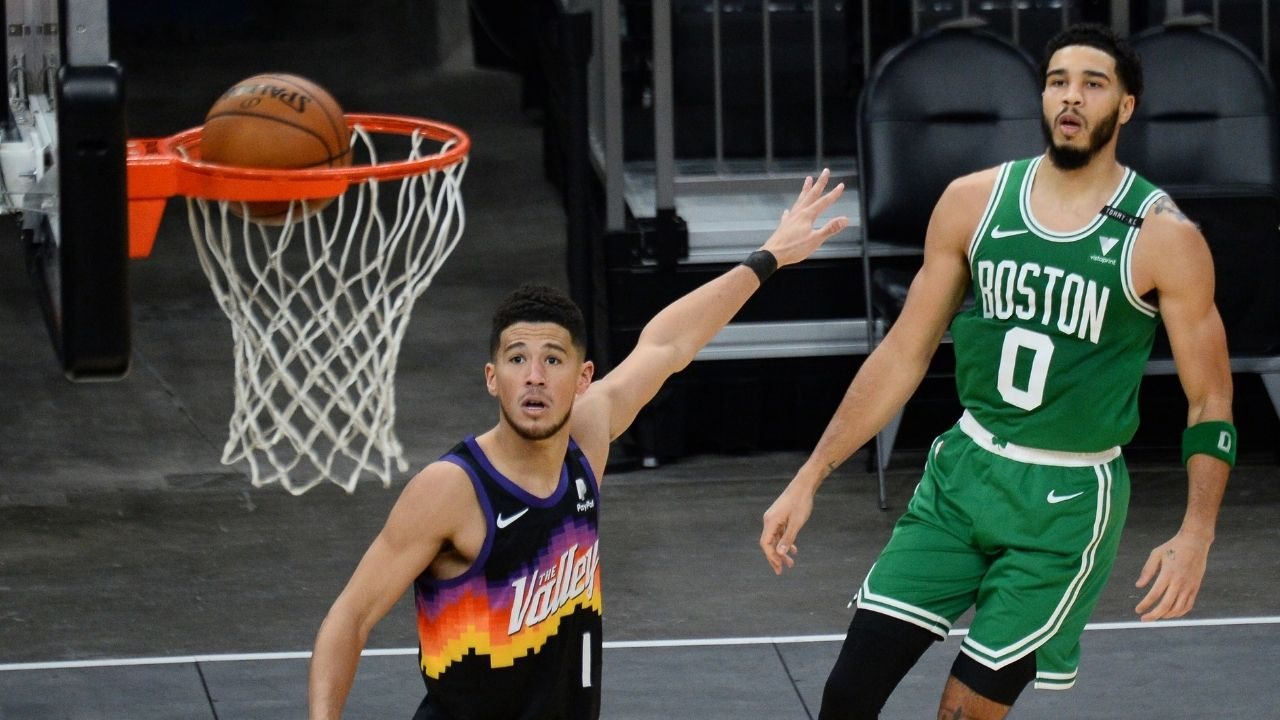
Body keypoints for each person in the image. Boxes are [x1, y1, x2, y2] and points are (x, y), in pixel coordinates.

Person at [759, 24, 1235, 720]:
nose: (1071, 97)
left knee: (964, 715)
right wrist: (811, 475)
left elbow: (1210, 399)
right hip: (964, 476)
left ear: (1126, 107)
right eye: (1057, 81)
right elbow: (903, 353)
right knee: (848, 694)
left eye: (1093, 84)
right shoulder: (973, 202)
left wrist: (1196, 533)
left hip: (1067, 504)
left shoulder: (1165, 237)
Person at [307, 171, 848, 720]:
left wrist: (769, 257)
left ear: (583, 377)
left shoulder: (585, 442)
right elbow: (349, 617)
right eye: (517, 359)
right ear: (493, 378)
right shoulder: (451, 489)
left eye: (553, 359)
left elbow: (669, 342)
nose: (535, 376)